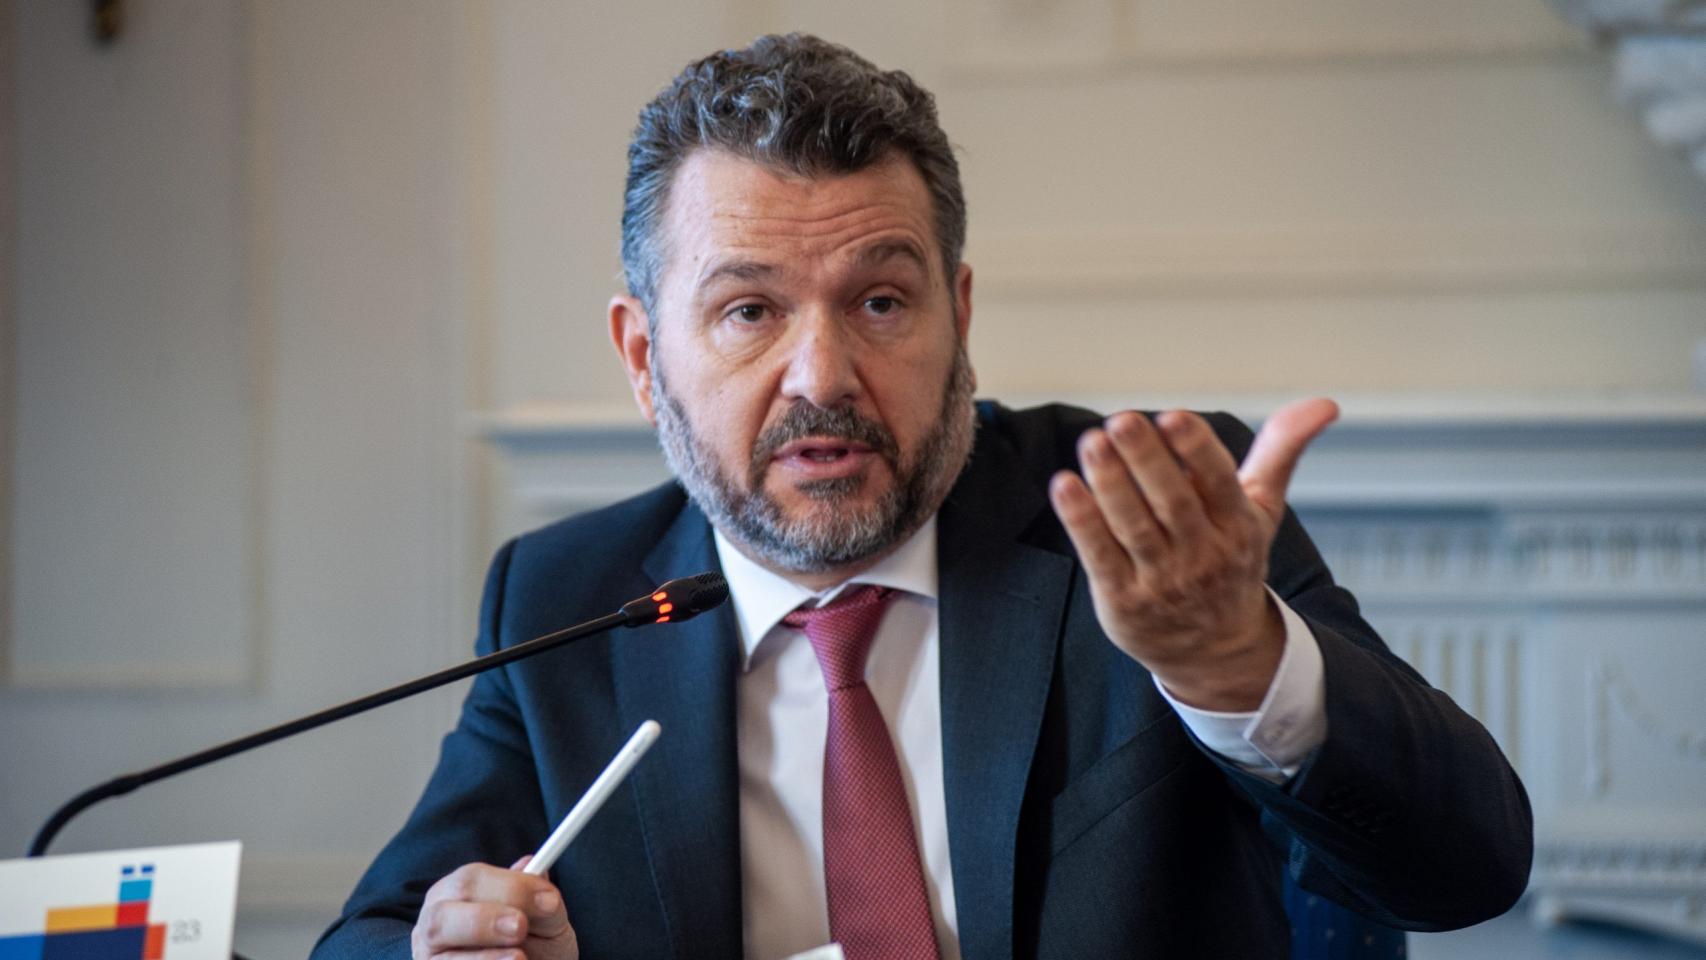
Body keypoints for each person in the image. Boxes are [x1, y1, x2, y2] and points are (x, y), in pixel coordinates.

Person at [313, 33, 1531, 960]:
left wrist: (1236, 668)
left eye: (880, 302)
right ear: (643, 359)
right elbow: (374, 932)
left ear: (959, 314)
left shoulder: (1148, 524)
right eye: (749, 310)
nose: (822, 375)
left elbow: (1464, 870)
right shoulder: (568, 599)